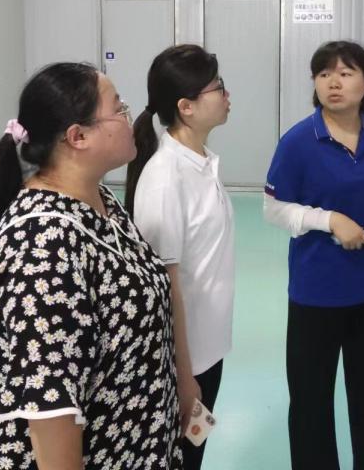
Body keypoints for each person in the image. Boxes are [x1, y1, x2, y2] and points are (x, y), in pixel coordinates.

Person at [0, 62, 181, 470]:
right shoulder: (40, 247)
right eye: (118, 109)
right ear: (77, 136)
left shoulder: (99, 201)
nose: (129, 118)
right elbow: (51, 414)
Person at [263, 41, 364, 470]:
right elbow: (273, 208)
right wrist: (329, 220)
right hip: (316, 293)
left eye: (346, 73)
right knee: (311, 405)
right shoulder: (298, 142)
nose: (334, 82)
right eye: (324, 73)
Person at [124, 44, 235, 470]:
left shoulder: (200, 163)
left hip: (208, 350)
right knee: (180, 461)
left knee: (192, 455)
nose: (227, 94)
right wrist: (184, 379)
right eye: (218, 87)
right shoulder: (166, 179)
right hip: (183, 363)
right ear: (186, 107)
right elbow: (163, 291)